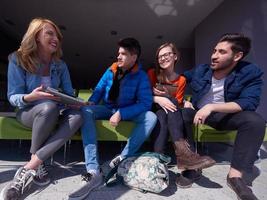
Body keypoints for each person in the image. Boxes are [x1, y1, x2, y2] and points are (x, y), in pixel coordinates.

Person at [0, 18, 83, 200]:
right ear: (36, 36)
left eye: (57, 36)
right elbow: (13, 97)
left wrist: (75, 102)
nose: (56, 39)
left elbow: (69, 93)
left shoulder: (60, 65)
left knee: (77, 116)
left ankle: (32, 164)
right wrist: (33, 96)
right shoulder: (18, 59)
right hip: (28, 110)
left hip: (55, 109)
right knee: (48, 106)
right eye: (50, 33)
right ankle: (36, 164)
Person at [68, 37, 157, 200]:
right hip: (108, 108)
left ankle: (121, 158)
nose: (118, 56)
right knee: (86, 111)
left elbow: (145, 103)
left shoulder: (142, 76)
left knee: (151, 117)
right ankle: (93, 169)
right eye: (118, 53)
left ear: (134, 57)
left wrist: (122, 113)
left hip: (127, 110)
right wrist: (91, 102)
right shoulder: (111, 70)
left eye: (123, 54)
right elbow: (99, 90)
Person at [182, 33, 265, 200]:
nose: (214, 56)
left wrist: (211, 107)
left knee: (255, 121)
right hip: (199, 113)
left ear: (237, 56)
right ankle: (193, 165)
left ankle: (235, 177)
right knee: (182, 114)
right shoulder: (201, 70)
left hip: (227, 116)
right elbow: (179, 80)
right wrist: (184, 99)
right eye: (214, 51)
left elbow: (248, 102)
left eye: (221, 52)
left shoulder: (250, 72)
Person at [147, 42, 215, 188]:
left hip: (167, 112)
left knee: (165, 113)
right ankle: (184, 154)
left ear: (175, 56)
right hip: (152, 107)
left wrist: (176, 100)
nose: (163, 58)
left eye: (166, 54)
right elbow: (143, 95)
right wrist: (158, 98)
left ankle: (158, 161)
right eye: (160, 56)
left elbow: (178, 101)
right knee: (164, 110)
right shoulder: (152, 73)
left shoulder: (181, 80)